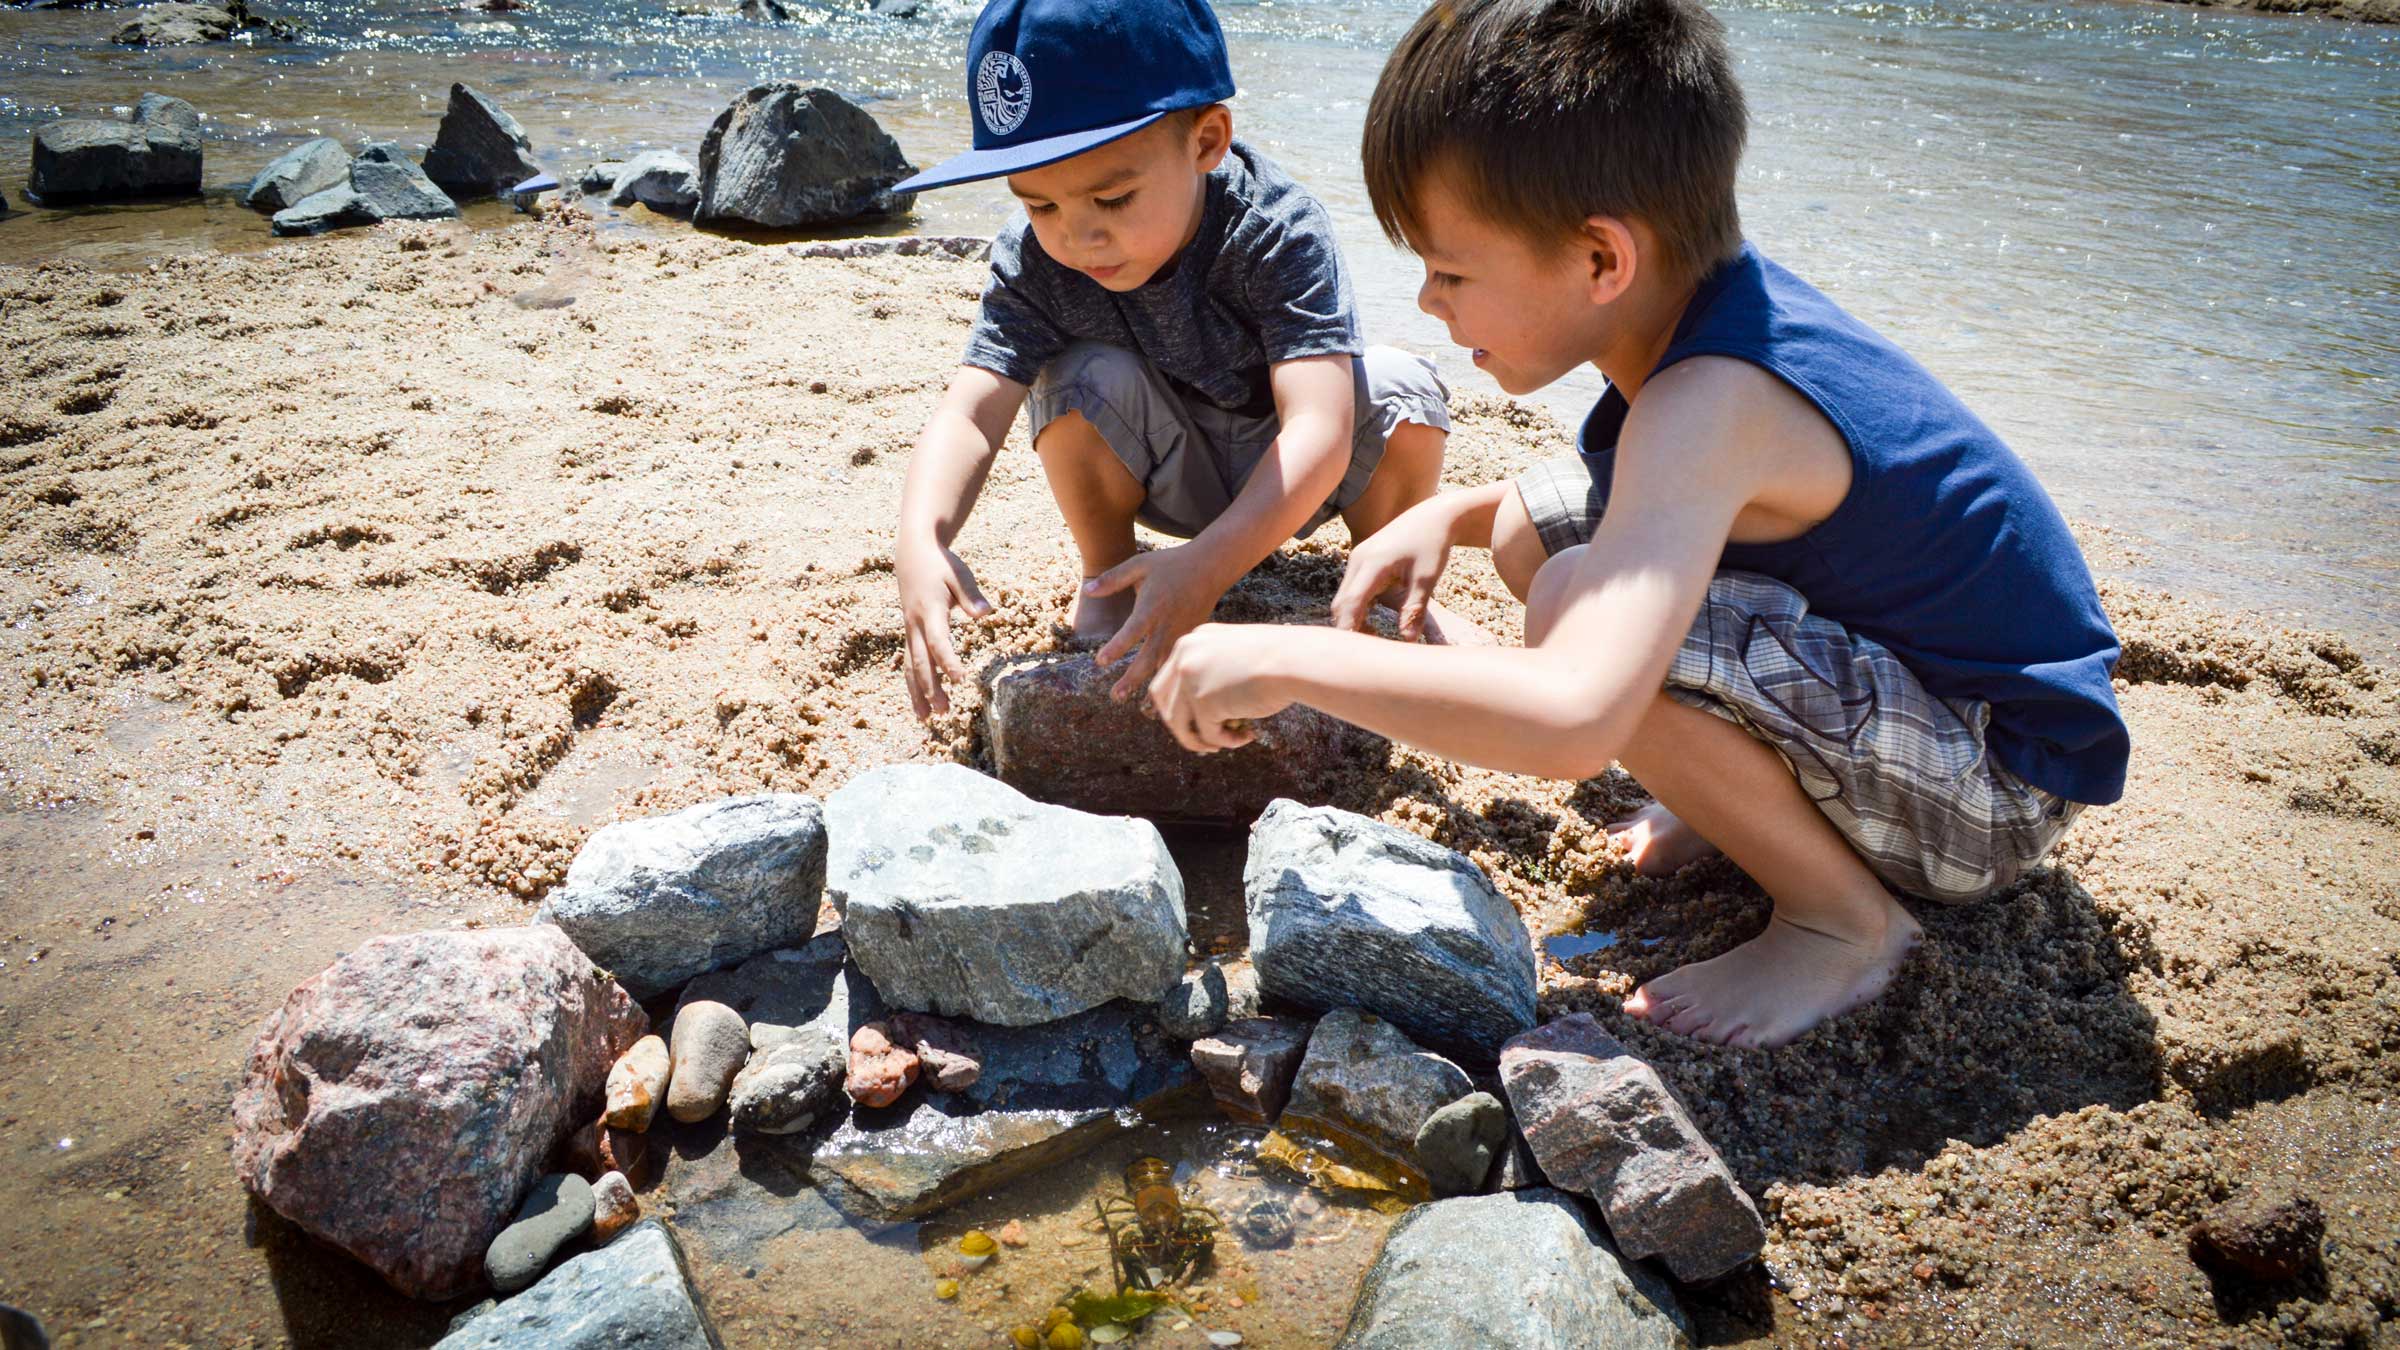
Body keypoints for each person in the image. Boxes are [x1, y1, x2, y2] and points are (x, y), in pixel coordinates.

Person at [1147, 0, 2131, 1050]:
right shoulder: (1707, 320)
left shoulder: (1710, 401)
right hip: (1924, 706)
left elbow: (1575, 720)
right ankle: (1733, 808)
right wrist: (1451, 511)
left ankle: (1841, 923)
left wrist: (1288, 661)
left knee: (1579, 607)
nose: (1429, 302)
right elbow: (1622, 499)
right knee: (1534, 532)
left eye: (1451, 270)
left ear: (1601, 261)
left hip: (1991, 789)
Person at [893, 0, 1467, 721]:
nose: (1079, 237)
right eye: (1040, 206)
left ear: (1206, 141)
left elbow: (1320, 430)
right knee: (1076, 376)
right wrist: (921, 535)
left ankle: (1382, 583)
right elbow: (971, 412)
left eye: (1112, 197)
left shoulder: (1274, 227)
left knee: (1399, 388)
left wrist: (1208, 569)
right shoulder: (1035, 262)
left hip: (1294, 477)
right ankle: (1110, 580)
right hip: (1171, 472)